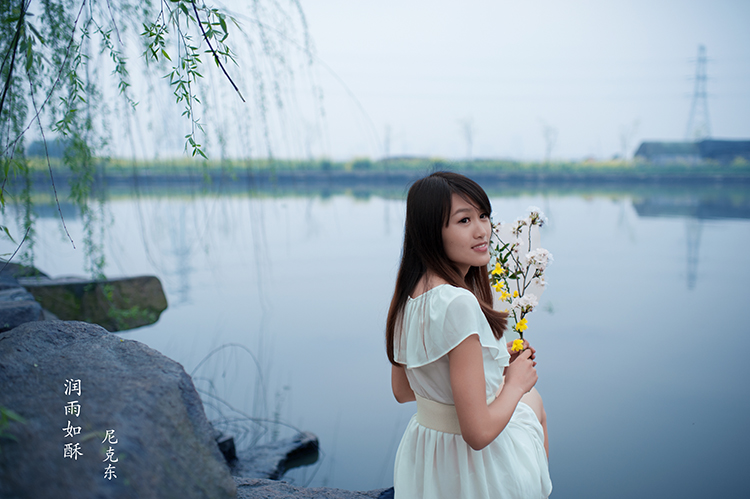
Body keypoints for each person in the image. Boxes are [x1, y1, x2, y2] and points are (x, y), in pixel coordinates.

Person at [386, 171, 552, 498]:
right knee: (533, 400)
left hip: (426, 460)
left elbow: (404, 391)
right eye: (464, 221)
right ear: (433, 232)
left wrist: (493, 362)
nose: (482, 231)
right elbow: (477, 433)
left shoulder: (407, 295)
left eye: (484, 216)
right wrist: (516, 382)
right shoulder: (459, 302)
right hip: (471, 469)